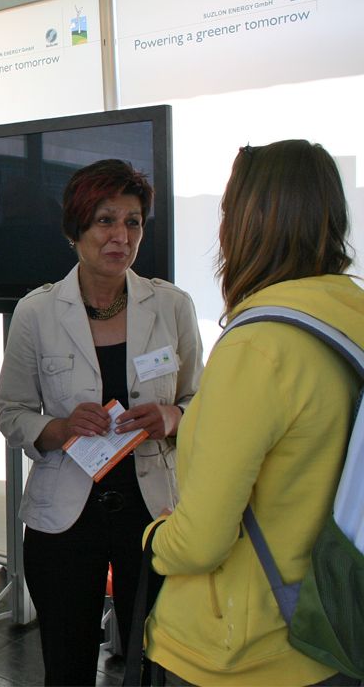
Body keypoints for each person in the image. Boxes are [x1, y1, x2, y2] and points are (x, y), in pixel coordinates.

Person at [144, 140, 364, 687]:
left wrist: (155, 540)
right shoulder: (347, 321)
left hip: (241, 652)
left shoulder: (258, 347)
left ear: (250, 223)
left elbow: (201, 541)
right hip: (331, 629)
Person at [0, 158, 203, 686]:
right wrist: (61, 428)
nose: (121, 236)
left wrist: (173, 415)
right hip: (65, 517)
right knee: (67, 664)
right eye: (105, 221)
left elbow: (201, 401)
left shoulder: (171, 306)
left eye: (133, 222)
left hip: (153, 510)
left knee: (154, 662)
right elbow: (12, 412)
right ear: (76, 229)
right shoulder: (37, 312)